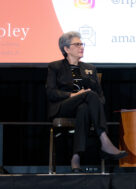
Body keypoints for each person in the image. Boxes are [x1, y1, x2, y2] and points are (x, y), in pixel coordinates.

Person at [46, 31, 128, 173]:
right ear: (66, 49)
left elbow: (101, 98)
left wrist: (88, 98)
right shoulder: (55, 67)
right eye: (77, 44)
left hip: (86, 107)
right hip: (63, 106)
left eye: (82, 44)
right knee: (88, 95)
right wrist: (73, 95)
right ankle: (104, 139)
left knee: (84, 108)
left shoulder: (90, 69)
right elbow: (51, 92)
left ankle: (76, 158)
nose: (81, 47)